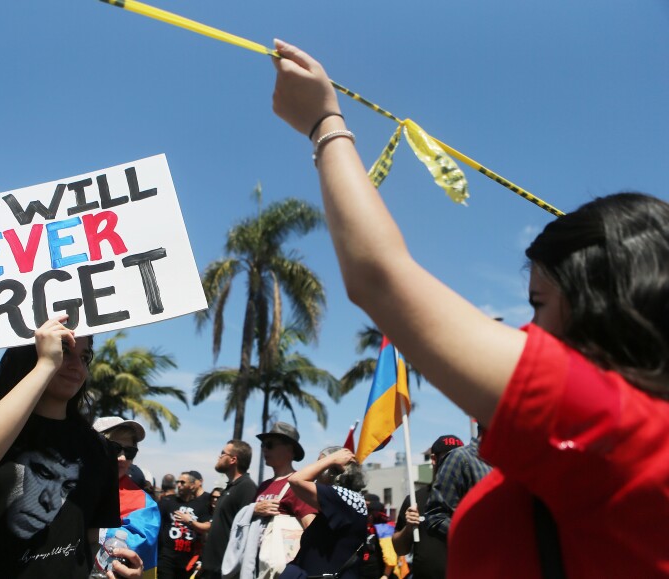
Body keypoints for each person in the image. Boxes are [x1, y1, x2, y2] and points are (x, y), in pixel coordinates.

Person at [270, 40, 669, 577]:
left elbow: (378, 276)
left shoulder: (620, 429)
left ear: (604, 309)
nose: (527, 330)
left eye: (541, 305)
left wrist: (324, 123)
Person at [0, 316, 141, 579]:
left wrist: (111, 572)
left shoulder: (99, 450)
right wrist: (45, 365)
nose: (76, 366)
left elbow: (90, 540)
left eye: (85, 356)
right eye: (63, 350)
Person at [280, 447, 368, 579]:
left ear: (335, 470)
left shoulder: (346, 498)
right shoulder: (340, 502)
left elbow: (296, 480)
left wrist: (330, 459)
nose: (316, 468)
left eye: (321, 464)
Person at [94, 417, 160, 579]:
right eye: (114, 448)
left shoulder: (144, 502)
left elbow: (136, 542)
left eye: (130, 452)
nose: (122, 457)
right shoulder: (66, 484)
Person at [392, 435, 464, 579]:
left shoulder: (472, 496)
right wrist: (408, 528)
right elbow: (399, 549)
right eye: (447, 459)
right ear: (433, 459)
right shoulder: (415, 499)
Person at [253, 422, 317, 577]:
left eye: (269, 445)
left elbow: (312, 529)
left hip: (283, 570)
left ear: (290, 449)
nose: (264, 449)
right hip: (260, 566)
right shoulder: (263, 486)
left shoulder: (297, 485)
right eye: (263, 445)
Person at [199, 440, 257, 579]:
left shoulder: (246, 487)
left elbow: (244, 534)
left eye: (222, 453)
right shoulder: (230, 487)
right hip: (211, 568)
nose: (219, 457)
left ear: (233, 459)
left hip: (225, 571)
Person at [423, 427, 490, 544]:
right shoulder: (461, 458)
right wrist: (478, 540)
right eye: (444, 457)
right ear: (433, 459)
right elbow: (436, 518)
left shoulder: (509, 463)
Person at [159, 470, 211, 579]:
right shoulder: (168, 502)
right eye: (178, 482)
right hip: (167, 558)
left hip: (187, 561)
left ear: (192, 486)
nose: (179, 485)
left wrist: (189, 521)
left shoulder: (201, 505)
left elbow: (207, 526)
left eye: (183, 482)